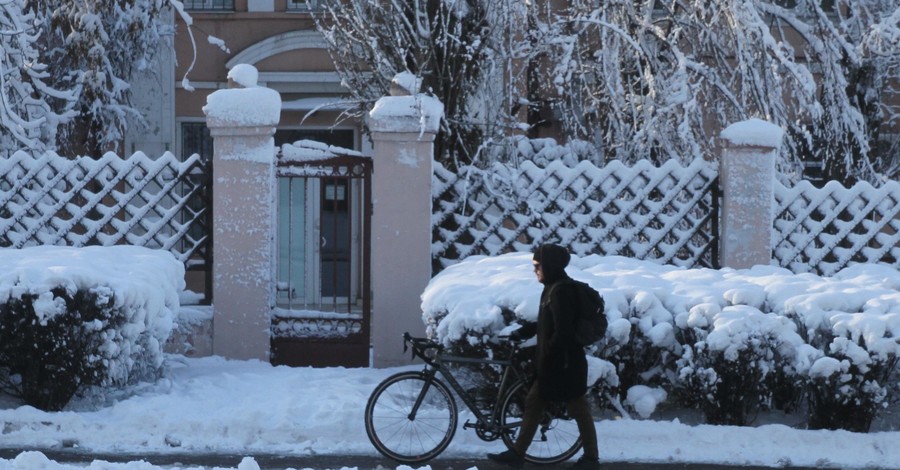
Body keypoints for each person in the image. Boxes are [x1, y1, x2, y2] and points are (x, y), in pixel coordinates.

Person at [488, 244, 601, 469]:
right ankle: (518, 454)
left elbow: (563, 331)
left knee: (577, 407)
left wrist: (549, 354)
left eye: (537, 265)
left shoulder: (560, 292)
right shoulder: (552, 288)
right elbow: (546, 323)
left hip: (563, 363)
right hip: (559, 361)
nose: (535, 270)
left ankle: (590, 459)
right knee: (537, 402)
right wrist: (524, 332)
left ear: (549, 265)